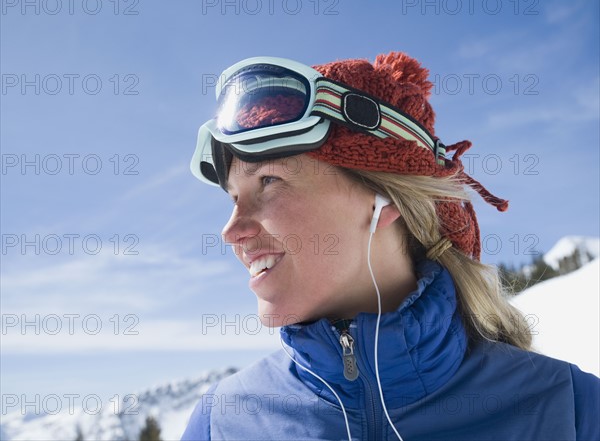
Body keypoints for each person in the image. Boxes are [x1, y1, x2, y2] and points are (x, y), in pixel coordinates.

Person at [181, 52, 600, 440]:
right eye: (234, 198)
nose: (231, 230)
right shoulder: (220, 423)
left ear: (385, 201)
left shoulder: (571, 409)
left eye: (269, 181)